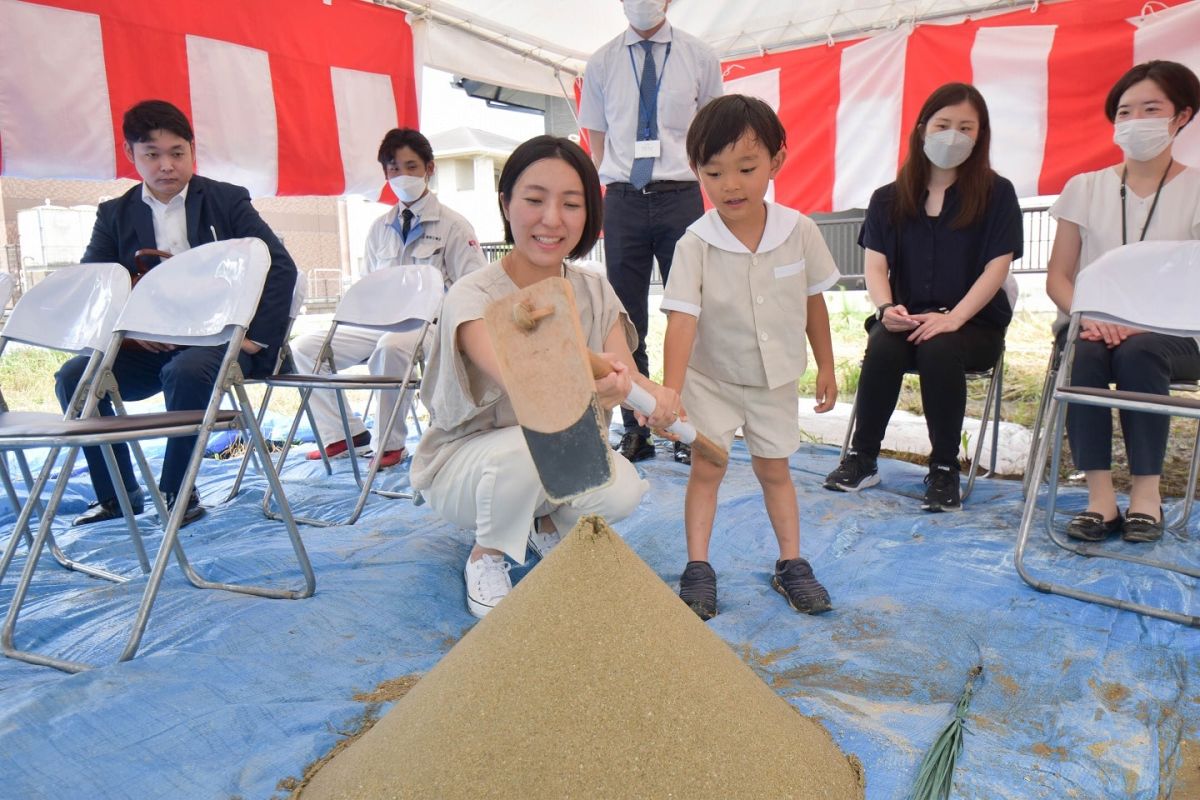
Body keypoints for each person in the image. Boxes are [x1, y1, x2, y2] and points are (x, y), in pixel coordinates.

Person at [410, 135, 679, 618]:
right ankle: (487, 553)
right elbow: (525, 380)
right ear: (506, 203)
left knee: (622, 488)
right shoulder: (474, 296)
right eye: (535, 200)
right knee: (527, 444)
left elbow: (625, 373)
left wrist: (636, 390)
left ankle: (544, 527)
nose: (552, 219)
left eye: (571, 204)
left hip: (555, 456)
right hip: (465, 468)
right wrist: (593, 378)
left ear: (587, 214)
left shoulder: (594, 289)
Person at [55, 99, 297, 527]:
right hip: (151, 342)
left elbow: (279, 266)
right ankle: (118, 495)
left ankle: (178, 491)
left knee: (186, 371)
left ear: (191, 150)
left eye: (177, 153)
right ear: (131, 155)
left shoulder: (227, 201)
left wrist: (254, 338)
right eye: (152, 154)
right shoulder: (114, 214)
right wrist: (128, 331)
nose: (166, 166)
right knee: (75, 378)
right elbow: (97, 283)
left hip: (218, 342)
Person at [661, 95, 838, 620]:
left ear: (776, 162)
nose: (730, 185)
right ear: (696, 172)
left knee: (775, 470)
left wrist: (826, 363)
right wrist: (671, 390)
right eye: (713, 172)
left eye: (746, 168)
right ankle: (698, 567)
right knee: (707, 469)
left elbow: (814, 301)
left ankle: (791, 563)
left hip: (775, 380)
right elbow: (682, 318)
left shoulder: (799, 231)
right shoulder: (695, 242)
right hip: (711, 380)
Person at [823, 83, 1023, 512]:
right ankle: (863, 458)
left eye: (966, 127)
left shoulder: (997, 194)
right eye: (943, 125)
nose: (953, 136)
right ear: (921, 130)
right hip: (909, 317)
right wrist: (885, 308)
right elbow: (876, 266)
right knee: (881, 342)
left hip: (974, 324)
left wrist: (955, 318)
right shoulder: (888, 198)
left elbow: (997, 268)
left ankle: (944, 468)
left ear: (980, 135)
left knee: (940, 346)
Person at [1045, 60, 1200, 544]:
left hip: (1174, 332)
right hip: (1091, 322)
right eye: (1125, 112)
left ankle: (1146, 496)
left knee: (1139, 351)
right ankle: (1100, 499)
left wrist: (1142, 322)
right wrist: (1091, 316)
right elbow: (1058, 277)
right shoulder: (1085, 188)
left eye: (1151, 109)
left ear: (1182, 116)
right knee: (1083, 350)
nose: (1135, 122)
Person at [578, 0, 722, 465]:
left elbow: (715, 135)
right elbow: (596, 140)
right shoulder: (600, 63)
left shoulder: (700, 57)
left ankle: (686, 425)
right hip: (622, 197)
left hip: (681, 193)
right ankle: (634, 429)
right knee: (622, 319)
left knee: (689, 312)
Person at [290, 128, 486, 469]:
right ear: (385, 174)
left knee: (392, 348)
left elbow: (472, 286)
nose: (402, 176)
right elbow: (372, 286)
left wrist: (448, 320)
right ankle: (344, 433)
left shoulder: (455, 226)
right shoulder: (380, 228)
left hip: (431, 324)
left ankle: (390, 444)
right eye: (394, 169)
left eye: (411, 166)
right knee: (305, 349)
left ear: (430, 168)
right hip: (380, 322)